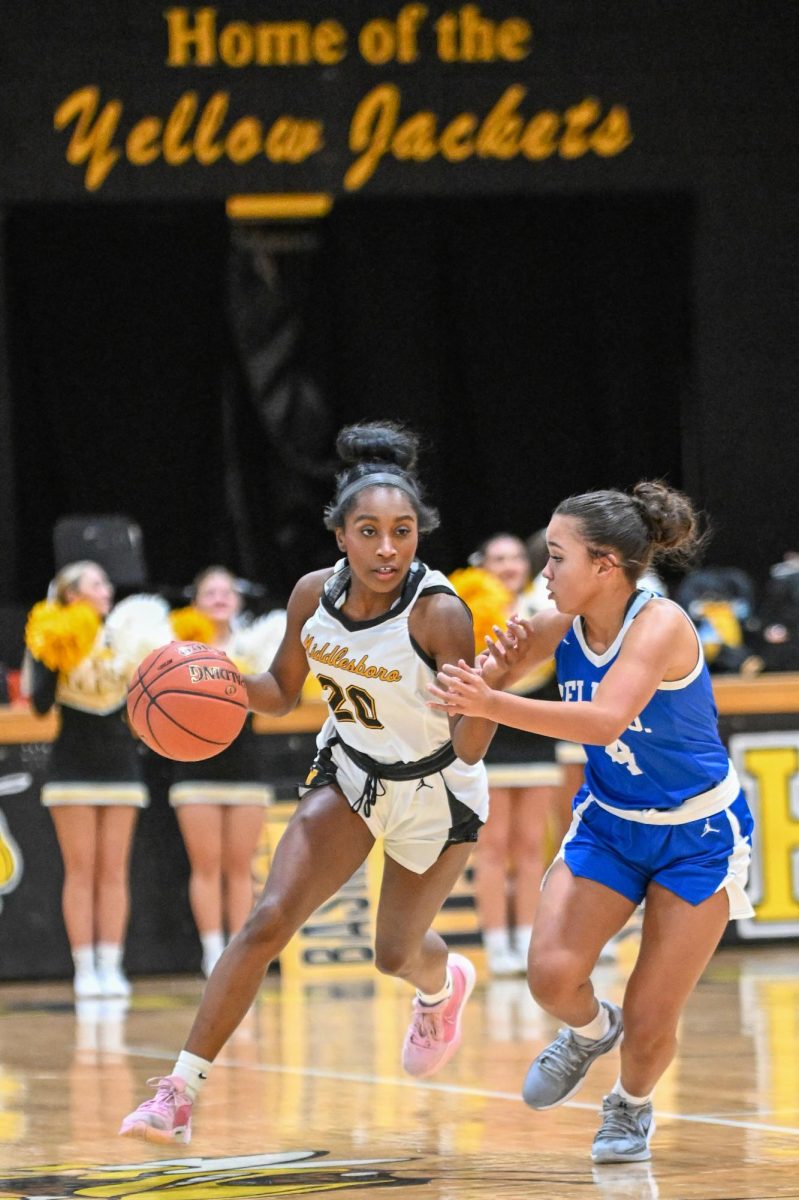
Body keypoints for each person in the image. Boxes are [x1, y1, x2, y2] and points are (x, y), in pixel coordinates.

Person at [119, 420, 496, 1145]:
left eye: (403, 531)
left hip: (435, 791)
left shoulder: (439, 612)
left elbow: (469, 747)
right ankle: (177, 1093)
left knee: (393, 953)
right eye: (369, 531)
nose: (387, 548)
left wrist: (479, 697)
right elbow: (282, 690)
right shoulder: (310, 597)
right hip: (351, 773)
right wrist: (214, 679)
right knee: (266, 922)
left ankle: (439, 985)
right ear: (340, 536)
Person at [428, 482, 754, 1165]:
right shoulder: (554, 627)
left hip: (696, 837)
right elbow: (470, 730)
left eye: (555, 557)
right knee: (549, 976)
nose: (542, 573)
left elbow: (603, 720)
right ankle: (586, 1032)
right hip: (610, 824)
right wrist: (478, 679)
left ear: (605, 566)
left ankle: (630, 1107)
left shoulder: (659, 623)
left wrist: (491, 697)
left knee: (650, 1016)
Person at [24, 561, 171, 999]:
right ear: (71, 594)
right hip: (71, 765)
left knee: (113, 871)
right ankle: (84, 969)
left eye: (107, 581)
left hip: (121, 765)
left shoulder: (127, 635)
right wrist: (49, 651)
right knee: (81, 871)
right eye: (95, 582)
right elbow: (39, 705)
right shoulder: (53, 630)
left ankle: (111, 965)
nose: (106, 588)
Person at [452, 532, 566, 976]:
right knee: (494, 846)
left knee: (533, 844)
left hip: (536, 729)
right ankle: (497, 944)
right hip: (490, 733)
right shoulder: (469, 612)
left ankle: (528, 939)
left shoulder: (545, 609)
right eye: (497, 558)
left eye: (515, 557)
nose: (508, 565)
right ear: (483, 564)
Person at [168, 567, 282, 977]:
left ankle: (238, 949)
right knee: (206, 864)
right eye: (209, 591)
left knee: (240, 865)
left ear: (238, 600)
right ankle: (211, 950)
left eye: (227, 591)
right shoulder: (178, 649)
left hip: (246, 764)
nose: (219, 597)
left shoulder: (257, 646)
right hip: (194, 766)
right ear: (194, 601)